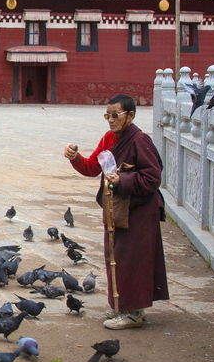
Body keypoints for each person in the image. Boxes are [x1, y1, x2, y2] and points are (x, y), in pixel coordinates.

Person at [63, 94, 168, 330]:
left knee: (133, 259)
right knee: (116, 258)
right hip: (117, 209)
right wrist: (75, 158)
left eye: (115, 115)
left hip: (140, 211)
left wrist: (123, 180)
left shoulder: (140, 140)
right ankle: (121, 306)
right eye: (107, 116)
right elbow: (92, 168)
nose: (110, 120)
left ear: (130, 116)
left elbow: (153, 178)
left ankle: (134, 313)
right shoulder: (110, 138)